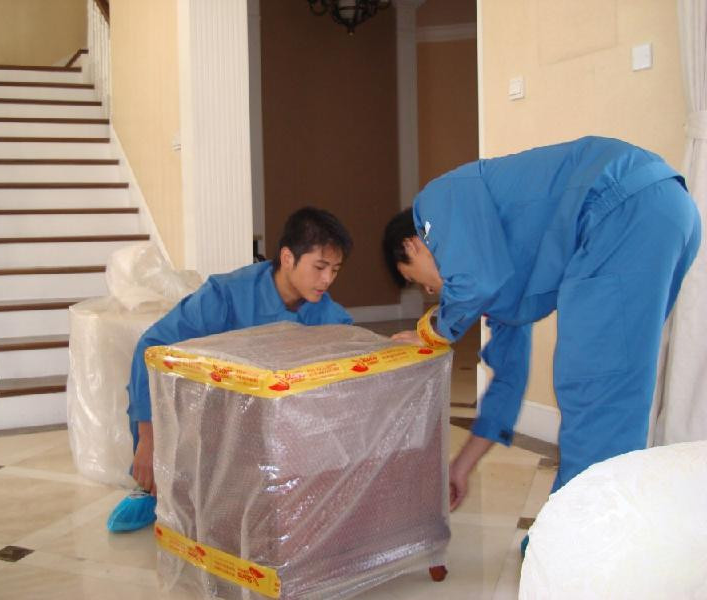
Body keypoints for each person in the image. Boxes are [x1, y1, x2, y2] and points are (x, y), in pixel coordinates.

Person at [381, 136, 701, 553]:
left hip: (620, 212)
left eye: (417, 279)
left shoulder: (434, 202)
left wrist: (432, 331)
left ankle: (575, 551)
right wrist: (462, 466)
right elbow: (508, 381)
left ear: (412, 243)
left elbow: (474, 283)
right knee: (617, 392)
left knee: (596, 393)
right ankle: (588, 538)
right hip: (665, 210)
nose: (429, 290)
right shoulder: (498, 273)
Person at [108, 206, 354, 532]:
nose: (327, 280)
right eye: (320, 267)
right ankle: (153, 488)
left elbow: (351, 369)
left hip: (274, 432)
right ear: (288, 258)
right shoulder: (225, 296)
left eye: (335, 270)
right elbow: (151, 348)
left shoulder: (329, 315)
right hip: (212, 419)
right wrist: (149, 440)